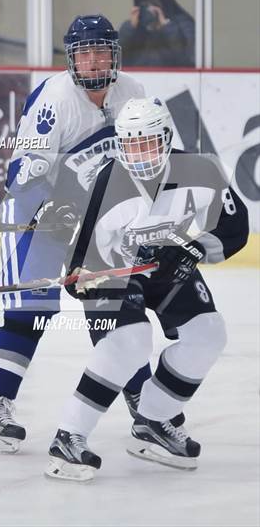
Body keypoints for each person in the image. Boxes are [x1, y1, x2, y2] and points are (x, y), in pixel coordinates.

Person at [0, 14, 166, 454]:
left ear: (114, 55)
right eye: (85, 52)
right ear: (72, 58)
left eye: (102, 51)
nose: (94, 61)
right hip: (41, 212)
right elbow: (19, 176)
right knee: (31, 310)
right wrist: (36, 174)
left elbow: (149, 155)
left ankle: (146, 408)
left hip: (99, 216)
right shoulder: (55, 100)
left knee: (113, 310)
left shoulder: (133, 93)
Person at [44, 96, 249, 481]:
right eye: (131, 143)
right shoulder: (109, 180)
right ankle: (68, 438)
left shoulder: (199, 170)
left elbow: (235, 228)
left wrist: (190, 248)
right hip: (116, 271)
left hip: (169, 267)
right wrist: (82, 277)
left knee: (208, 334)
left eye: (148, 142)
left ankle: (152, 421)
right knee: (131, 341)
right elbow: (80, 255)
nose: (139, 153)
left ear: (166, 138)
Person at [118, 0, 195, 67]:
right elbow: (117, 60)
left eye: (153, 5)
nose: (149, 11)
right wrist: (130, 28)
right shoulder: (136, 28)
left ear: (164, 4)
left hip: (173, 79)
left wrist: (167, 27)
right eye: (144, 6)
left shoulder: (183, 25)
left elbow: (188, 60)